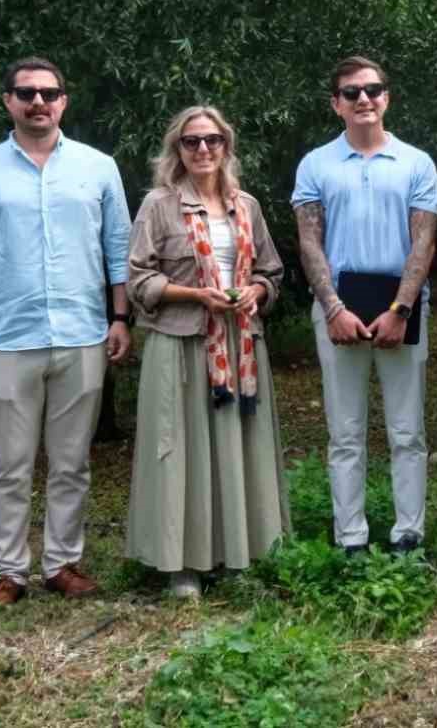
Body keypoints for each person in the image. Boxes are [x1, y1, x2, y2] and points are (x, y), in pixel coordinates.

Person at [0, 57, 133, 605]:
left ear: (64, 101)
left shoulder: (98, 167)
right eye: (26, 93)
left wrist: (120, 317)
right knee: (9, 464)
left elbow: (118, 250)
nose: (38, 102)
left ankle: (62, 563)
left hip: (82, 333)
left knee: (72, 462)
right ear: (8, 100)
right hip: (8, 336)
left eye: (49, 93)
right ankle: (8, 571)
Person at [125, 106, 292, 597]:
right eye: (191, 141)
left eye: (212, 140)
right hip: (179, 344)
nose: (202, 149)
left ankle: (237, 555)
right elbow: (138, 279)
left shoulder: (248, 206)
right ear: (176, 149)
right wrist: (197, 295)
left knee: (237, 448)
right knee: (181, 453)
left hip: (240, 346)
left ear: (226, 146)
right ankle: (182, 566)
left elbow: (271, 272)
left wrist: (256, 291)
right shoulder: (159, 205)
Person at [292, 57, 437, 555]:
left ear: (387, 98)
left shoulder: (417, 163)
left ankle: (408, 534)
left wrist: (401, 309)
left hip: (402, 308)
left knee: (407, 430)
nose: (364, 99)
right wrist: (333, 308)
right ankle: (350, 538)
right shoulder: (315, 165)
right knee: (345, 432)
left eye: (373, 90)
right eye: (352, 92)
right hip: (339, 307)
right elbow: (309, 240)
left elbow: (424, 241)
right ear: (336, 103)